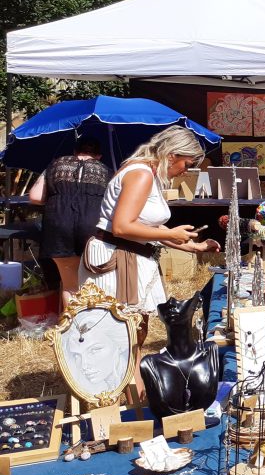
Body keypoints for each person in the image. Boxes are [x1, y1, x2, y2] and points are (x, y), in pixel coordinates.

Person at [80, 127, 220, 392]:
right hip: (117, 259)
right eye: (187, 164)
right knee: (119, 331)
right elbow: (122, 226)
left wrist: (192, 245)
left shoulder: (148, 174)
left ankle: (132, 386)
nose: (186, 172)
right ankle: (111, 390)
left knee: (135, 330)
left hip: (131, 255)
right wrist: (171, 234)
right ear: (172, 155)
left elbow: (145, 226)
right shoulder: (141, 174)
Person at [29, 137, 111, 309]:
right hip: (93, 224)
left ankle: (72, 324)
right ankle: (93, 322)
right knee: (94, 283)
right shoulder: (106, 171)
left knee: (70, 285)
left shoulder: (55, 165)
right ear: (99, 156)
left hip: (58, 222)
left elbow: (35, 197)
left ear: (75, 152)